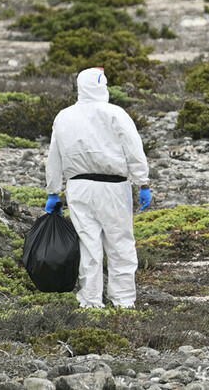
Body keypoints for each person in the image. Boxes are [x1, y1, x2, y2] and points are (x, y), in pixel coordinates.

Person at [45, 67, 151, 309]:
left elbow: (54, 157)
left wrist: (53, 192)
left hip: (78, 187)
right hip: (113, 187)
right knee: (119, 244)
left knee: (88, 244)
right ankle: (123, 302)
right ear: (103, 86)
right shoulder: (115, 113)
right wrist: (142, 182)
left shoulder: (64, 116)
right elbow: (133, 150)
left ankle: (90, 301)